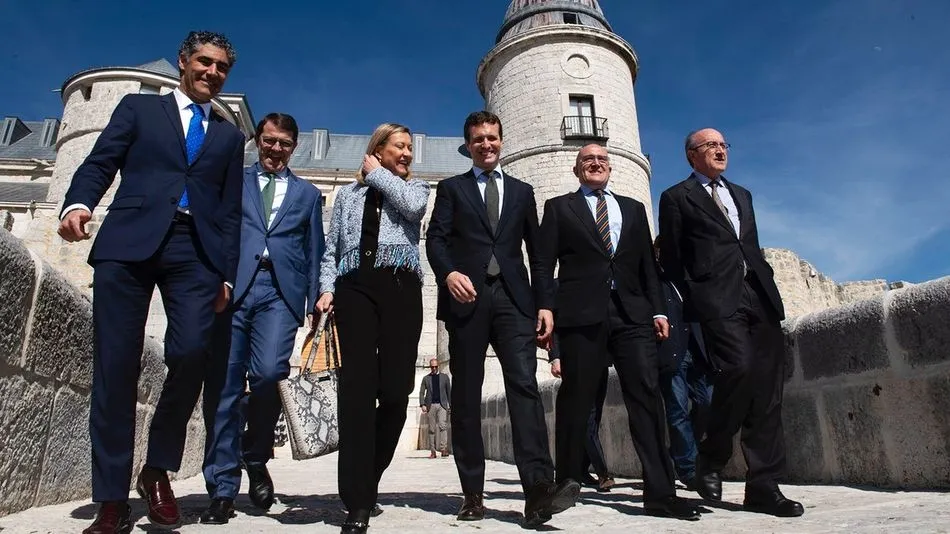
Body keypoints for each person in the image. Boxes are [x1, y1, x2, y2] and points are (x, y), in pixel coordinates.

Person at [57, 31, 245, 534]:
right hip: (129, 241)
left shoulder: (229, 136)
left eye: (221, 66)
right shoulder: (140, 110)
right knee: (115, 366)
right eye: (204, 62)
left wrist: (225, 273)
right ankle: (111, 497)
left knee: (189, 354)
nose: (211, 72)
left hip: (195, 251)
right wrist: (78, 203)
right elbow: (101, 162)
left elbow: (229, 212)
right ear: (184, 62)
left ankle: (157, 468)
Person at [426, 111, 578, 528]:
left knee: (525, 390)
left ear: (502, 140)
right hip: (467, 301)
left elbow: (540, 254)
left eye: (492, 138)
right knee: (467, 396)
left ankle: (537, 492)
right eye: (478, 139)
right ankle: (472, 494)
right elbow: (436, 239)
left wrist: (546, 305)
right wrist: (449, 273)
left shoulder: (523, 191)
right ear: (468, 144)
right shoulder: (451, 189)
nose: (486, 145)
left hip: (515, 301)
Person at [536, 143, 700, 520]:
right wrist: (545, 307)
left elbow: (647, 265)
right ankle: (566, 483)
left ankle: (661, 492)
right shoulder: (560, 208)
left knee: (645, 396)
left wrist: (658, 309)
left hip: (632, 314)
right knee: (576, 397)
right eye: (587, 161)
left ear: (611, 168)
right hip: (581, 314)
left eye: (602, 160)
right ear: (577, 171)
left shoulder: (633, 209)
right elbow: (544, 263)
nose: (596, 164)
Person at [657, 128, 804, 517]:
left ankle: (763, 485)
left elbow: (748, 243)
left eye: (724, 145)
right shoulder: (676, 197)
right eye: (711, 145)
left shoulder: (743, 194)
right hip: (717, 299)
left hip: (759, 294)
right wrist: (698, 295)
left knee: (769, 392)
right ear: (692, 155)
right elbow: (671, 258)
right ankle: (713, 452)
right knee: (737, 369)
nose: (720, 150)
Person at [200, 113, 324, 524]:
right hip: (234, 289)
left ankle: (255, 455)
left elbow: (314, 249)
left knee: (270, 373)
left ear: (294, 147)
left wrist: (315, 298)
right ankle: (221, 487)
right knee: (225, 386)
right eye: (269, 141)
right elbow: (216, 229)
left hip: (280, 294)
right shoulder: (234, 179)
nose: (275, 149)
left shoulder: (307, 194)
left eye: (283, 143)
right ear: (258, 140)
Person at [315, 123, 430, 534]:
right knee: (357, 392)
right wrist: (327, 288)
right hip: (354, 289)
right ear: (378, 148)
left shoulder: (416, 189)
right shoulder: (346, 195)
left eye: (409, 149)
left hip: (400, 287)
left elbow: (412, 210)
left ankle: (370, 475)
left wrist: (378, 173)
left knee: (397, 392)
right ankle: (358, 500)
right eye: (399, 146)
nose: (407, 154)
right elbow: (331, 249)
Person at [653, 235, 713, 490]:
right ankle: (688, 469)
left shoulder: (687, 277)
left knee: (707, 403)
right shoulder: (653, 281)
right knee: (677, 411)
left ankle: (681, 450)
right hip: (670, 351)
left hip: (697, 351)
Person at [548, 342, 614, 492]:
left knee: (596, 415)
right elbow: (556, 327)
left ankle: (583, 470)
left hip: (602, 359)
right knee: (588, 417)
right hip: (578, 360)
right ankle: (602, 473)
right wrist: (555, 358)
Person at [419, 358, 452, 458]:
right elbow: (421, 392)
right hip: (430, 405)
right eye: (432, 367)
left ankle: (444, 449)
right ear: (430, 367)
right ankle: (433, 452)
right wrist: (422, 404)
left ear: (438, 366)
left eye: (435, 367)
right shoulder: (426, 378)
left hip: (442, 405)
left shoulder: (445, 377)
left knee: (443, 426)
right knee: (432, 429)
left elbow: (448, 392)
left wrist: (450, 404)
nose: (434, 368)